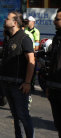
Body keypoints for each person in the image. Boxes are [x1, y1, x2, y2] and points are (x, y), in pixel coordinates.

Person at [0, 12, 35, 138]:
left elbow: (31, 61)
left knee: (23, 115)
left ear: (15, 23)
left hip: (19, 85)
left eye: (7, 18)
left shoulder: (24, 39)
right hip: (7, 82)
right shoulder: (8, 37)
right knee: (16, 116)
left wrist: (27, 82)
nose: (4, 20)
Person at [47, 8, 61, 138]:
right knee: (58, 125)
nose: (54, 21)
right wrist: (48, 85)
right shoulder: (56, 37)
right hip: (54, 88)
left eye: (57, 19)